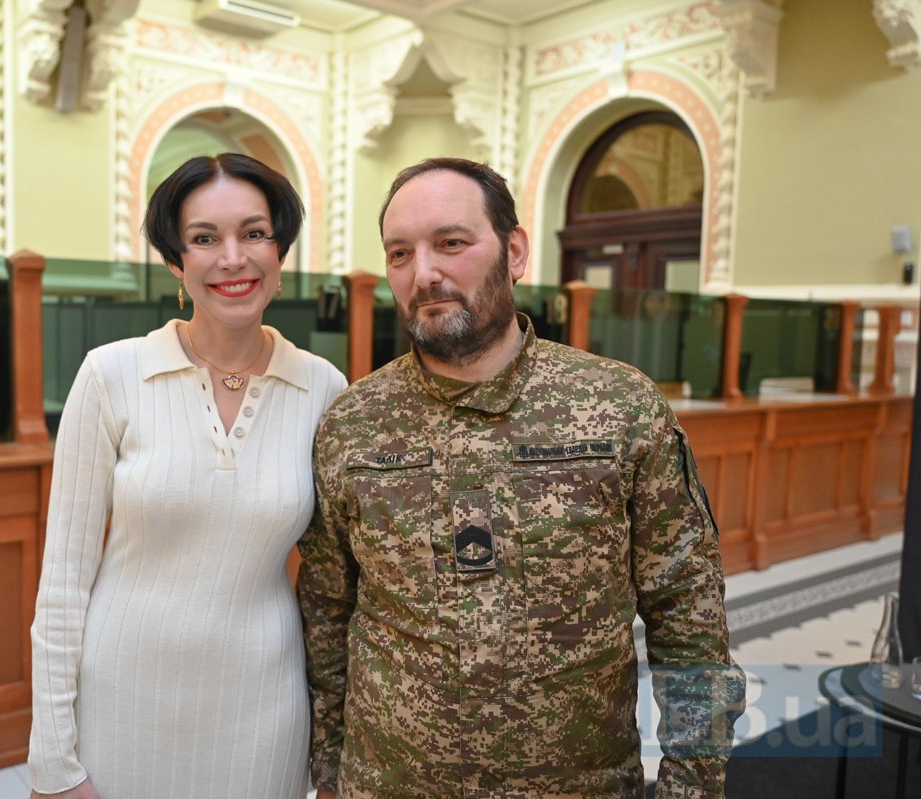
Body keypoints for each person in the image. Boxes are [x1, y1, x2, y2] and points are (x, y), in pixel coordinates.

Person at [297, 157, 745, 799]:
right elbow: (326, 614)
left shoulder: (617, 407)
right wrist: (329, 773)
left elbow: (688, 613)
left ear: (514, 252)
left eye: (451, 243)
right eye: (400, 253)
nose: (424, 273)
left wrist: (692, 786)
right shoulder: (353, 424)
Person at [28, 152, 347, 799]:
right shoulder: (111, 375)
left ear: (281, 249)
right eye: (204, 238)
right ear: (176, 260)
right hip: (124, 702)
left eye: (254, 233)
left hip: (265, 709)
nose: (233, 258)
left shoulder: (323, 388)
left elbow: (337, 582)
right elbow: (62, 583)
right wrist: (52, 759)